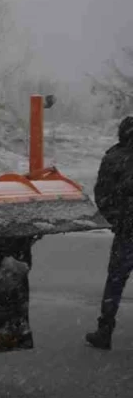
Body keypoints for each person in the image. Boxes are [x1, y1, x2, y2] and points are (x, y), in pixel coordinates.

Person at [86, 116, 133, 350]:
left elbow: (102, 196)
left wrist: (119, 220)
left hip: (127, 232)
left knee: (115, 281)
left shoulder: (114, 158)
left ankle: (105, 331)